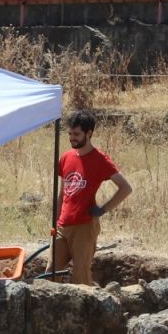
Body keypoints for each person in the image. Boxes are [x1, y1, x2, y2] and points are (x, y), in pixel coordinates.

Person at [54, 110, 133, 286]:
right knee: (51, 273)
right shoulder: (66, 157)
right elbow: (63, 192)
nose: (72, 138)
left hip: (84, 226)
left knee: (80, 277)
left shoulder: (100, 160)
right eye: (70, 134)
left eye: (76, 134)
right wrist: (56, 220)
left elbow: (126, 188)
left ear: (89, 133)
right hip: (62, 226)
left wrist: (103, 209)